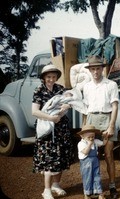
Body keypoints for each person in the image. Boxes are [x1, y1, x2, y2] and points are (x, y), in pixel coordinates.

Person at [32, 64, 74, 199]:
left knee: (60, 157)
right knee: (49, 159)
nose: (51, 79)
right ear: (44, 77)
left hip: (61, 128)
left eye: (54, 77)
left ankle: (56, 184)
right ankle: (47, 190)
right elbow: (34, 111)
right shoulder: (39, 90)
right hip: (47, 130)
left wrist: (67, 105)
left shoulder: (60, 89)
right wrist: (51, 118)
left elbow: (68, 102)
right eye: (48, 77)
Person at [82, 55, 119, 199]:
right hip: (91, 120)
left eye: (98, 68)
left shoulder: (111, 85)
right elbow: (85, 109)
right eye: (93, 69)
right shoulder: (86, 86)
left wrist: (111, 126)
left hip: (106, 119)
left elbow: (115, 106)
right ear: (90, 71)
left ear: (102, 69)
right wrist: (84, 127)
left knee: (109, 155)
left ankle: (112, 186)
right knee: (92, 156)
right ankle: (94, 187)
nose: (96, 72)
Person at [77, 124, 108, 199]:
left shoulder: (95, 141)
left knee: (96, 176)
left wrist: (105, 137)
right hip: (86, 163)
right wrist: (90, 144)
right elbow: (85, 152)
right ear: (82, 136)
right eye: (89, 137)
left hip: (95, 162)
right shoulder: (81, 143)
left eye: (93, 137)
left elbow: (103, 143)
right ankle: (87, 194)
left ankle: (99, 192)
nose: (91, 139)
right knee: (87, 177)